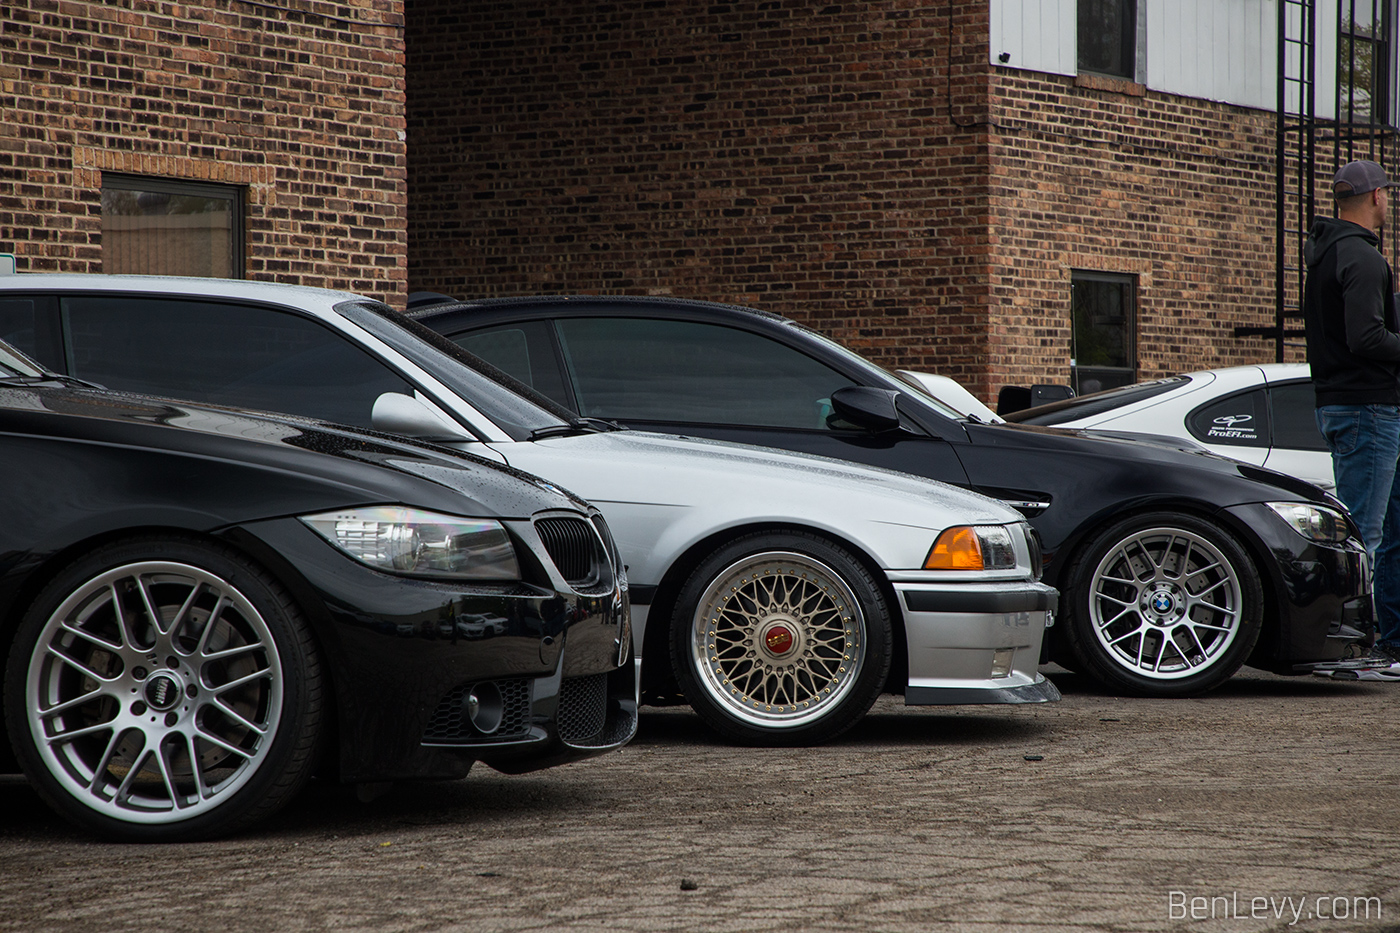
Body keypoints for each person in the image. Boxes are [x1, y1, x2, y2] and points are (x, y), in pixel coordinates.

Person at [1303, 159, 1400, 679]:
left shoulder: (1326, 254)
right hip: (1368, 409)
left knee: (1387, 530)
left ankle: (1390, 640)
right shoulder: (1361, 258)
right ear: (1377, 197)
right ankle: (1356, 647)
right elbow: (1367, 338)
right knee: (1365, 536)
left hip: (1352, 405)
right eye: (1388, 193)